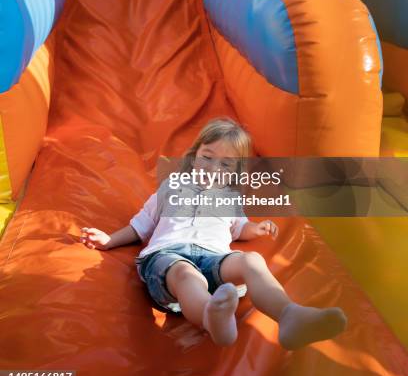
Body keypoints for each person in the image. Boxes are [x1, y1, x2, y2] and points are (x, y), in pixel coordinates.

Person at [80, 117, 347, 348]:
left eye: (226, 165)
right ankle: (212, 317)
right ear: (195, 155)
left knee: (252, 260)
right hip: (169, 257)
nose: (213, 168)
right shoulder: (172, 186)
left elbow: (238, 228)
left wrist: (256, 228)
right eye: (208, 158)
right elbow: (141, 225)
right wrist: (109, 240)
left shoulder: (229, 198)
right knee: (186, 274)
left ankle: (290, 316)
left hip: (214, 259)